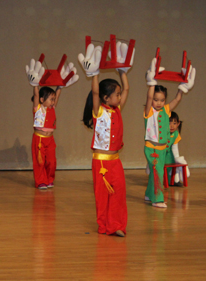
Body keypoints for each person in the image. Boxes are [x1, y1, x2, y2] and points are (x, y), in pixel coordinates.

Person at [79, 42, 132, 237]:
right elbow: (94, 92)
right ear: (106, 98)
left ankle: (117, 225)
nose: (119, 96)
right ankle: (104, 226)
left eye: (118, 94)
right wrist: (94, 73)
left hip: (115, 161)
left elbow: (126, 90)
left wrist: (122, 72)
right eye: (115, 94)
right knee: (103, 196)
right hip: (100, 162)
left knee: (118, 193)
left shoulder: (116, 109)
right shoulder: (99, 111)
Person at [144, 59, 195, 207]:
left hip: (162, 148)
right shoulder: (149, 111)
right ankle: (158, 198)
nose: (159, 102)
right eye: (156, 99)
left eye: (162, 100)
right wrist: (152, 82)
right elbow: (149, 97)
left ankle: (149, 194)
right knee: (158, 173)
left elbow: (177, 99)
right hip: (151, 148)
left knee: (156, 172)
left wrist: (182, 88)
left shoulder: (166, 110)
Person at [25, 58, 79, 189]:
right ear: (43, 99)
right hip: (39, 139)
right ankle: (41, 181)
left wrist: (60, 86)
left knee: (51, 161)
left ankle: (49, 179)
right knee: (40, 161)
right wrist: (35, 85)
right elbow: (36, 95)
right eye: (51, 99)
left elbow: (58, 94)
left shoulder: (52, 108)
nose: (53, 101)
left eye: (54, 99)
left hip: (50, 140)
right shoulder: (38, 108)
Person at [165, 112, 189, 186]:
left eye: (174, 123)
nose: (172, 126)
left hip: (169, 153)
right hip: (160, 152)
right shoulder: (163, 133)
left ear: (178, 123)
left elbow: (175, 148)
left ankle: (175, 180)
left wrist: (177, 159)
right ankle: (160, 181)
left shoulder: (176, 134)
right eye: (169, 123)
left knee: (173, 162)